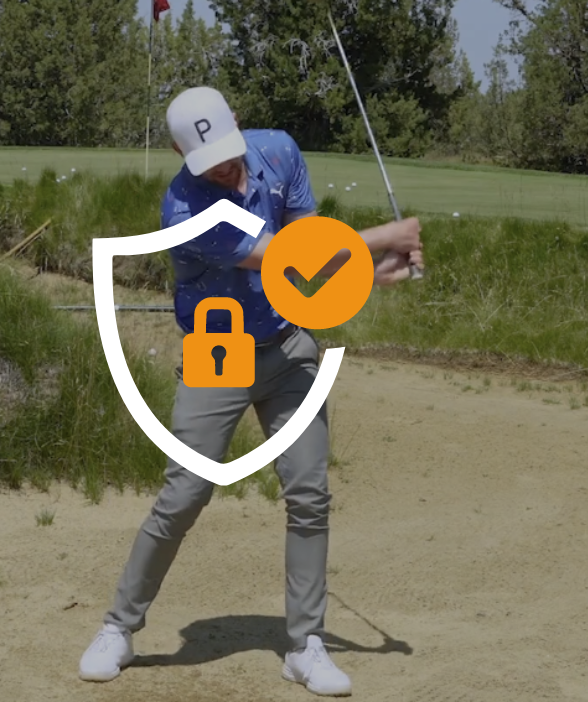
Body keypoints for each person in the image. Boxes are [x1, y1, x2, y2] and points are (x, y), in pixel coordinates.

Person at [77, 86, 424, 697]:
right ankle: (118, 628)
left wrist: (370, 270)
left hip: (289, 346)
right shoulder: (183, 208)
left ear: (237, 122)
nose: (224, 167)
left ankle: (305, 645)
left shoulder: (280, 153)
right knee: (184, 495)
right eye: (207, 160)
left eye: (227, 151)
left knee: (310, 494)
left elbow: (312, 261)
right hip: (220, 353)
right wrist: (387, 235)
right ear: (182, 155)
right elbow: (279, 255)